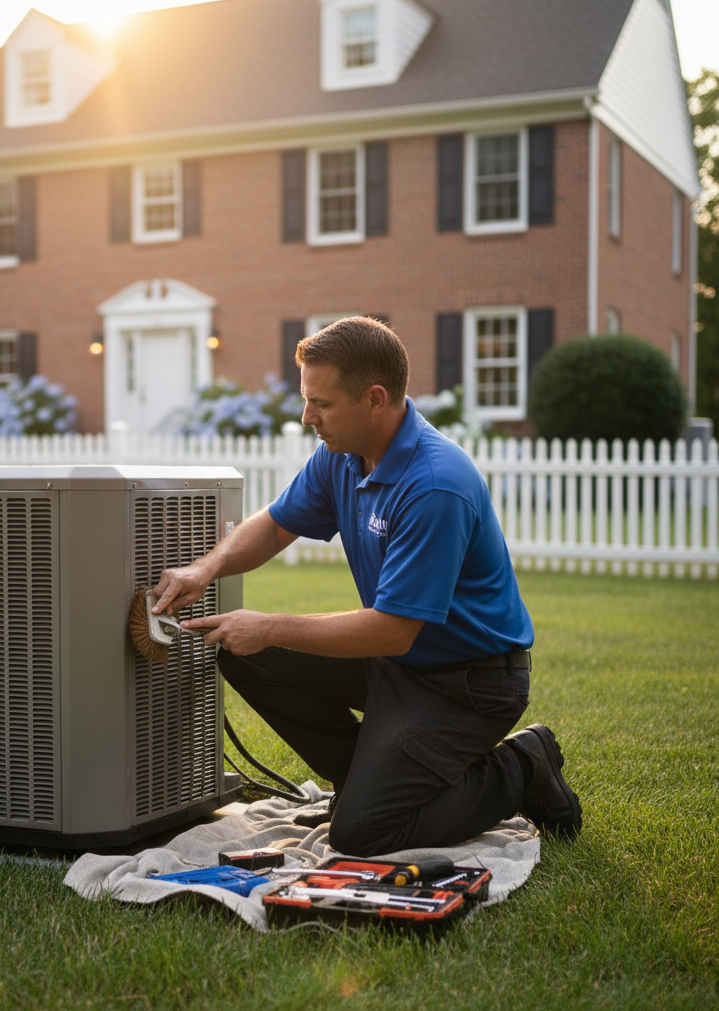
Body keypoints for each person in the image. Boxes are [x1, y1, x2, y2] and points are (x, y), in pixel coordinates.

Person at [152, 316, 581, 856]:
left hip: (467, 683)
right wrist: (205, 569)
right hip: (400, 665)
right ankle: (363, 785)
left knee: (363, 833)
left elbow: (394, 631)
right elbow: (279, 523)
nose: (308, 417)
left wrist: (269, 625)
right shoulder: (341, 456)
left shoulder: (434, 484)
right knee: (247, 654)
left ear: (375, 399)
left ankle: (522, 764)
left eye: (322, 404)